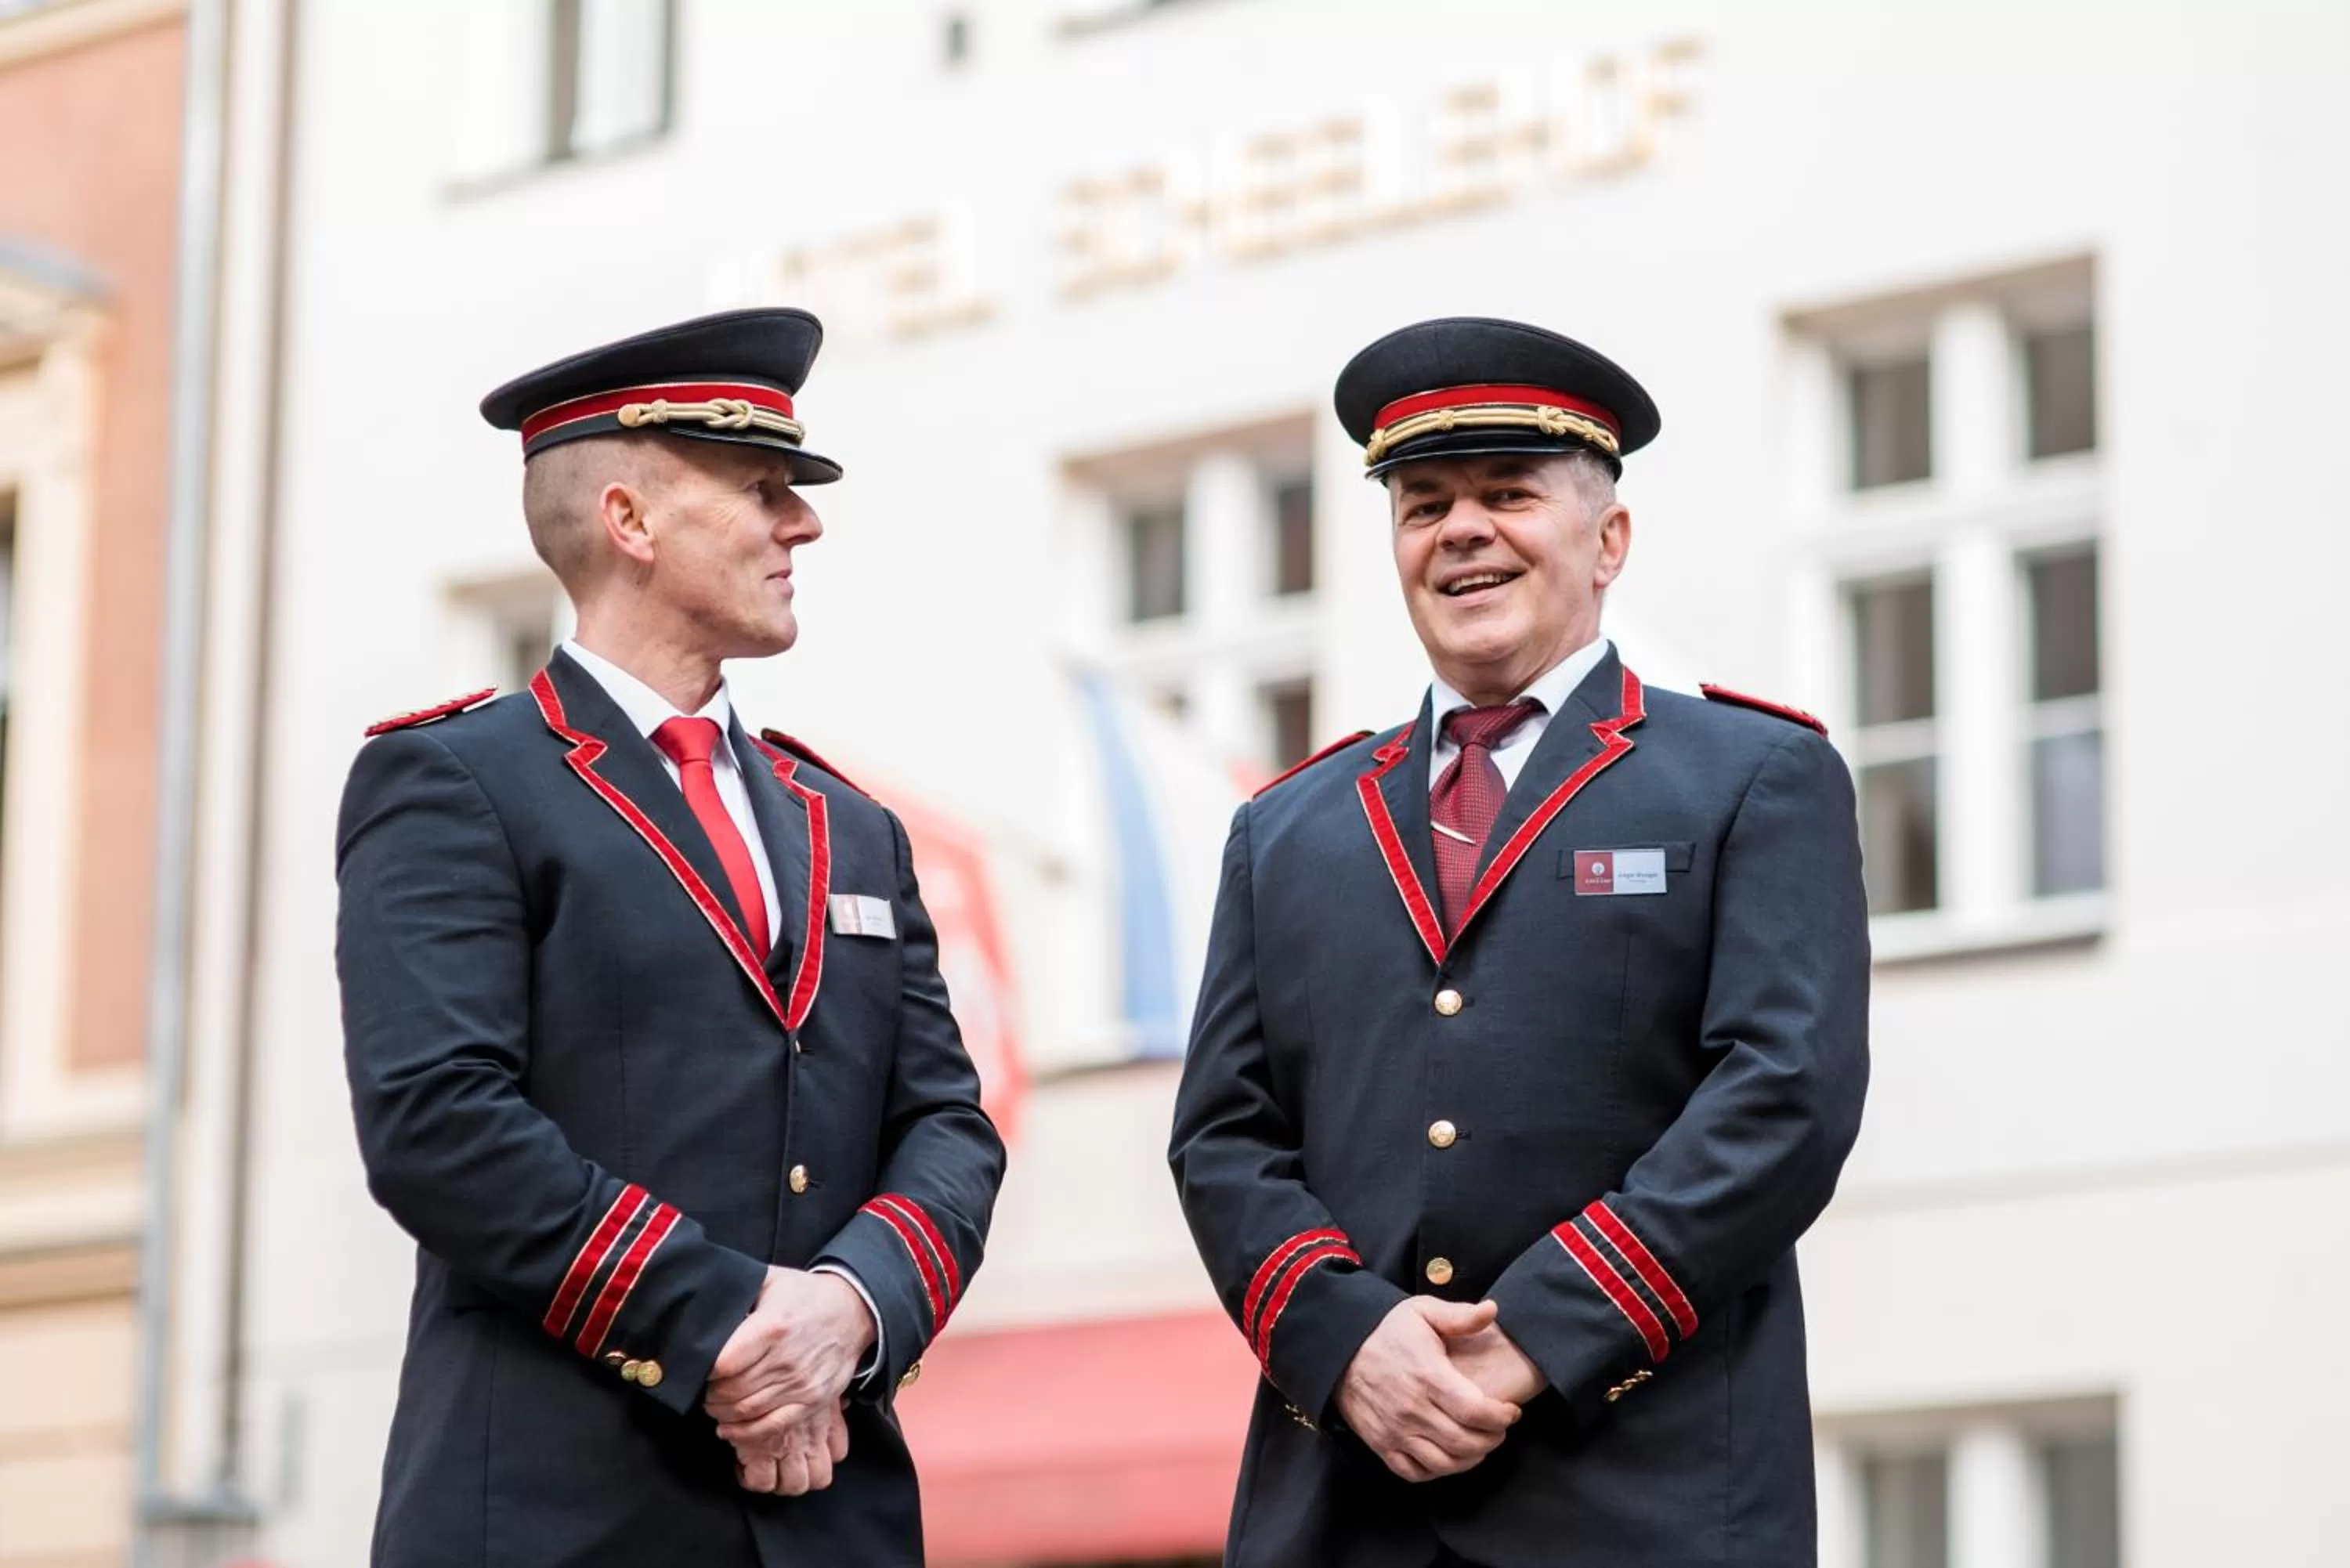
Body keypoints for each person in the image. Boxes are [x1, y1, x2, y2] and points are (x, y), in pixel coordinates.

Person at [1169, 316, 1870, 1567]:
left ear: (1608, 541)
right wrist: (1348, 1337)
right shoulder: (1287, 829)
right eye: (1424, 503)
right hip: (1344, 1505)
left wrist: (1530, 1336)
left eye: (1507, 493)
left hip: (1646, 1504)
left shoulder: (1754, 776)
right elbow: (1226, 1136)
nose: (1462, 530)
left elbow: (1783, 1100)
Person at [335, 308, 1004, 1567]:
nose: (801, 523)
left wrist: (848, 1313)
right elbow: (438, 1121)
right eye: (762, 491)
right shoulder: (458, 781)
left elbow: (947, 1128)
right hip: (557, 1513)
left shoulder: (849, 825)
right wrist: (731, 1328)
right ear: (631, 522)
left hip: (831, 1519)